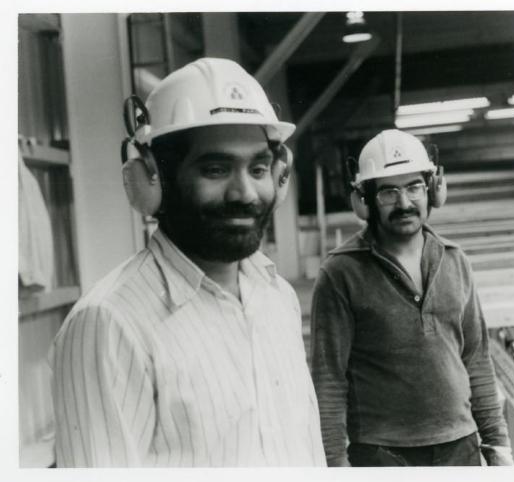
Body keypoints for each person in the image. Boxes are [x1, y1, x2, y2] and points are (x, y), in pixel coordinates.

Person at [50, 58, 326, 467]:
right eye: (215, 169)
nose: (245, 193)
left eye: (259, 168)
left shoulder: (276, 296)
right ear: (152, 181)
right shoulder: (109, 322)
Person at [310, 129, 514, 467]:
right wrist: (333, 462)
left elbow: (477, 358)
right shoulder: (340, 272)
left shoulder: (455, 260)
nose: (404, 203)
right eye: (389, 192)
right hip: (381, 454)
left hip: (460, 447)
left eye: (414, 187)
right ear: (364, 200)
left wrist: (497, 445)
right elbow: (328, 378)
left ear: (433, 190)